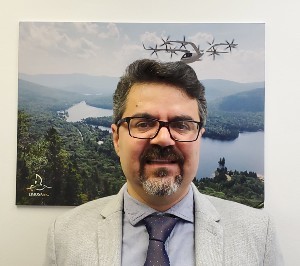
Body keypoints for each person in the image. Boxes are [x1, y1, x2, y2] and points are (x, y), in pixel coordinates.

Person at [44, 59, 282, 266]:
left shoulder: (258, 235)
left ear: (199, 137)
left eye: (181, 125)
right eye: (144, 123)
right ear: (116, 139)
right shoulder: (65, 235)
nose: (164, 139)